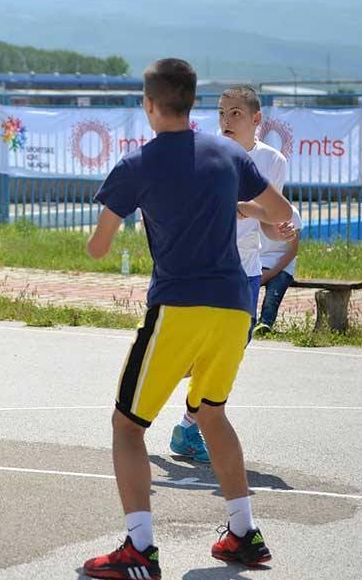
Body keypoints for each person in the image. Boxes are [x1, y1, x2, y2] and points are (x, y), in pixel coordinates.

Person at [81, 59, 291, 580]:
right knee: (212, 413)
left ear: (149, 105)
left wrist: (119, 219)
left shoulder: (137, 166)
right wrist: (245, 211)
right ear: (194, 103)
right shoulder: (227, 153)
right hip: (233, 309)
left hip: (178, 306)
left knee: (127, 426)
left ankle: (140, 550)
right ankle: (243, 534)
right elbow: (281, 215)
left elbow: (99, 248)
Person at [169, 84, 294, 463]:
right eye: (222, 112)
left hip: (246, 269)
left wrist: (274, 224)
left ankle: (188, 425)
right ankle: (166, 397)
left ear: (256, 119)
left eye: (235, 113)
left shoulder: (272, 162)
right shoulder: (204, 154)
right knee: (201, 354)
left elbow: (271, 223)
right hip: (205, 268)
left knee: (230, 352)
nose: (226, 120)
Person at [254, 205, 303, 334]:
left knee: (273, 293)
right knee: (246, 286)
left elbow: (293, 251)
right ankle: (247, 320)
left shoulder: (292, 213)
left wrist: (269, 274)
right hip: (259, 262)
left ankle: (265, 323)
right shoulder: (252, 211)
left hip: (283, 265)